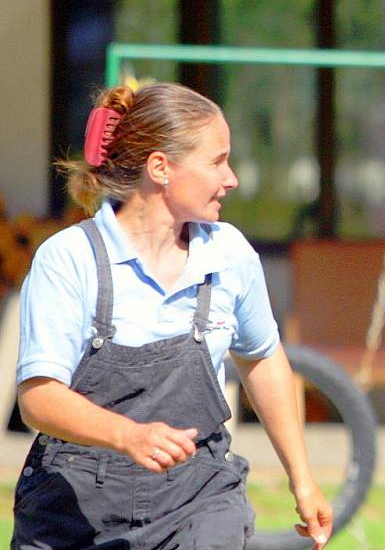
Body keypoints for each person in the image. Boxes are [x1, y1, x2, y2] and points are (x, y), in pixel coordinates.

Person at [12, 83, 333, 549]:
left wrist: (302, 478)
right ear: (160, 168)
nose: (232, 179)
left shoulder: (229, 254)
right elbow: (39, 399)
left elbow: (262, 359)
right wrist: (128, 436)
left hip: (197, 494)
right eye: (217, 161)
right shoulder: (70, 259)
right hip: (77, 502)